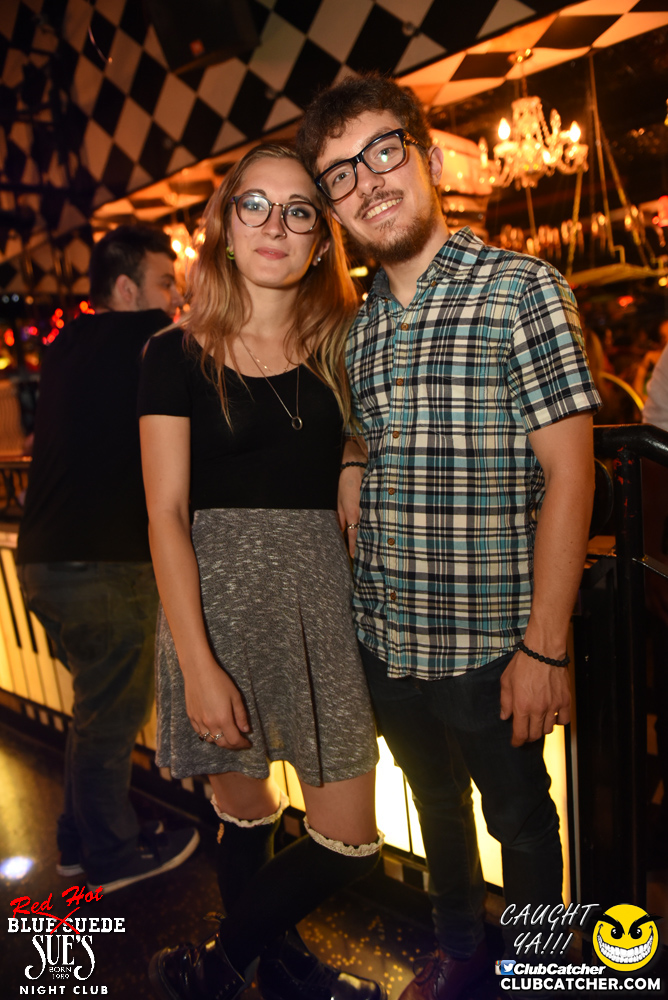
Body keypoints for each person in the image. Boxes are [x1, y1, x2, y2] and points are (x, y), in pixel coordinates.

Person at [296, 75, 601, 1000]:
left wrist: (544, 647)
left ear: (426, 159)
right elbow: (367, 433)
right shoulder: (357, 331)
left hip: (490, 644)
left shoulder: (522, 289)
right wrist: (351, 459)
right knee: (434, 804)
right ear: (334, 206)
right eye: (340, 174)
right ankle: (460, 952)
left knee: (522, 821)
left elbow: (572, 474)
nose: (367, 182)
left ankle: (540, 975)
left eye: (382, 152)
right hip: (385, 639)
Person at [139, 144, 384, 1000]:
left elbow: (372, 431)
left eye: (298, 211)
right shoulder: (173, 354)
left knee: (349, 840)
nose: (275, 225)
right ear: (225, 224)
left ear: (320, 240)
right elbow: (166, 514)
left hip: (319, 603)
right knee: (246, 817)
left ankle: (214, 971)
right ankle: (277, 967)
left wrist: (352, 455)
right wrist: (197, 664)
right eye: (255, 205)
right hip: (217, 609)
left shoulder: (344, 344)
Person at [17, 226, 199, 894]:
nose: (174, 298)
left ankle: (78, 839)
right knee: (111, 719)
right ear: (125, 289)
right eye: (164, 283)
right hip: (102, 564)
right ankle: (114, 856)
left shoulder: (66, 344)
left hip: (42, 562)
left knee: (94, 710)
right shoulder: (151, 338)